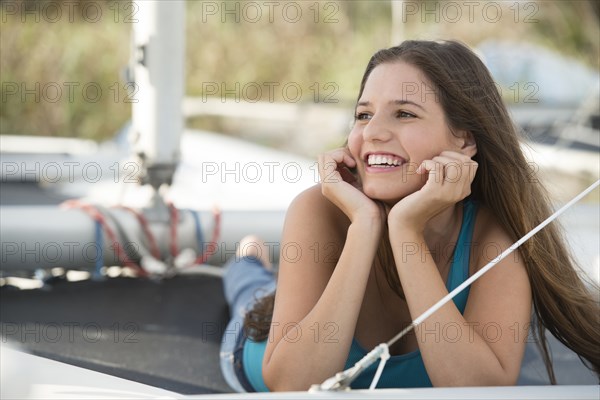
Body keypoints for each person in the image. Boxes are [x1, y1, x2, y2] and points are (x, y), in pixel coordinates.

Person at [219, 40, 600, 392]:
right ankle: (248, 259)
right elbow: (293, 386)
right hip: (254, 337)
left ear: (464, 140)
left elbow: (481, 391)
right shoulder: (319, 209)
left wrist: (405, 231)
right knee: (250, 290)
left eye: (403, 113)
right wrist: (365, 226)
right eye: (364, 114)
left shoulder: (493, 237)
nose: (374, 132)